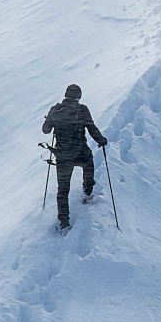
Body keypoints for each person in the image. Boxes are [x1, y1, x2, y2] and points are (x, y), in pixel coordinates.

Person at [42, 84, 107, 231]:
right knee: (89, 166)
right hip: (81, 153)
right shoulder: (82, 110)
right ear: (79, 96)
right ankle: (87, 192)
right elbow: (91, 128)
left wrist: (50, 120)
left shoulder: (55, 110)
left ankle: (64, 222)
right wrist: (101, 140)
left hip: (63, 156)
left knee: (63, 190)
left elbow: (45, 130)